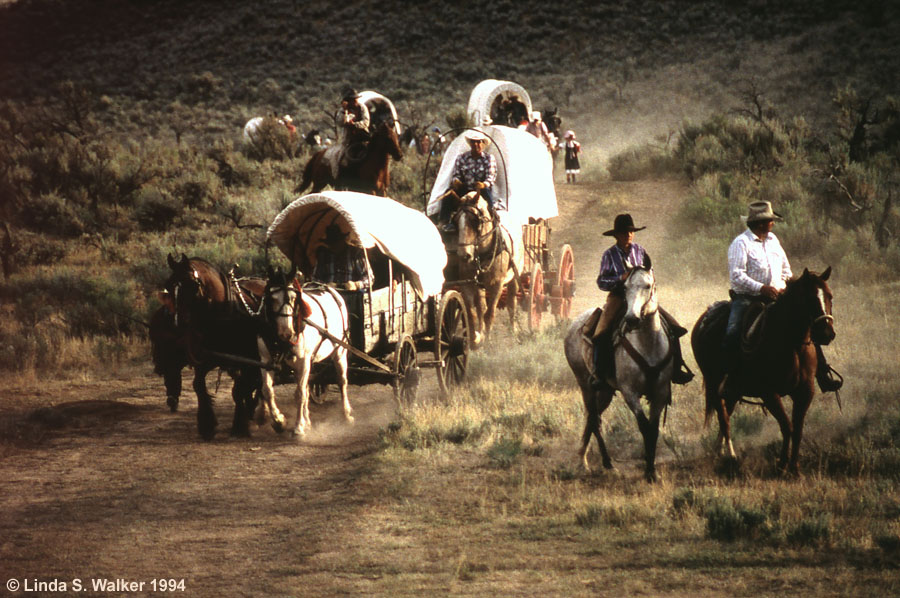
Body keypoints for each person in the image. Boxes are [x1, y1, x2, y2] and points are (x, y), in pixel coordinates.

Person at [722, 201, 841, 393]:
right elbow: (737, 275)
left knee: (807, 325)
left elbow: (786, 269)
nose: (773, 224)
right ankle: (730, 379)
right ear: (761, 223)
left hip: (778, 296)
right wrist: (762, 288)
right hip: (748, 298)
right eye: (770, 221)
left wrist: (787, 287)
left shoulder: (773, 241)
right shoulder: (740, 244)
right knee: (733, 332)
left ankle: (822, 373)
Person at [592, 214, 694, 389]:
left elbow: (650, 275)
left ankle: (676, 368)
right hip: (618, 298)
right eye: (624, 232)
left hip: (641, 297)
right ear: (616, 235)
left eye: (631, 231)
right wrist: (620, 279)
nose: (628, 235)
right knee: (601, 332)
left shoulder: (640, 251)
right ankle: (600, 374)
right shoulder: (609, 255)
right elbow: (601, 282)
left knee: (673, 327)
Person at [437, 129, 498, 231]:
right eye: (473, 142)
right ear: (470, 144)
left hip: (480, 191)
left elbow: (491, 177)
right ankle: (445, 222)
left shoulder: (488, 158)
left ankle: (493, 220)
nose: (476, 145)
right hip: (465, 189)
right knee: (448, 194)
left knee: (487, 195)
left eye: (478, 142)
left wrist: (483, 184)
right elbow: (456, 174)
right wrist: (457, 181)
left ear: (483, 144)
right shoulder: (462, 158)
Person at [313, 224, 370, 292]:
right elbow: (315, 279)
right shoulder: (324, 256)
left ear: (342, 240)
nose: (334, 247)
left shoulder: (355, 254)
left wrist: (356, 284)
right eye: (331, 244)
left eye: (336, 243)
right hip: (329, 295)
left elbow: (369, 278)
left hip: (352, 294)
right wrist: (325, 285)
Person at [337, 88, 370, 167]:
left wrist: (355, 124)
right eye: (353, 99)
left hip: (363, 137)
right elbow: (340, 123)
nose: (356, 101)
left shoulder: (362, 107)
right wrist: (345, 112)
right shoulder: (342, 110)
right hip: (349, 139)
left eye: (356, 99)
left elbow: (366, 122)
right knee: (341, 160)